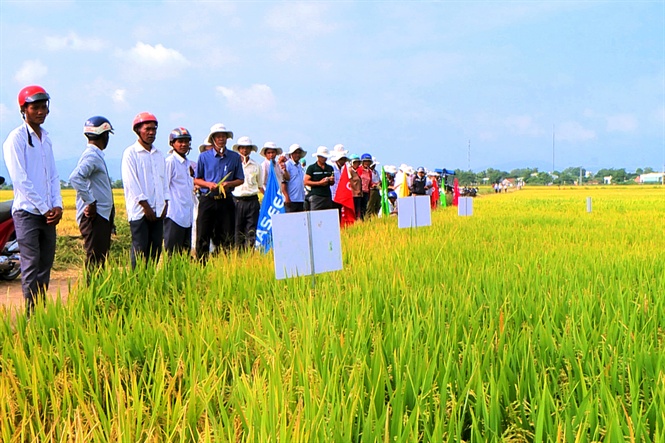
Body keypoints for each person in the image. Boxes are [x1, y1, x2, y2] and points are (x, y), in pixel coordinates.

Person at [2, 85, 62, 314]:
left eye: (43, 106)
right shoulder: (15, 139)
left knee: (45, 265)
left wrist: (57, 205)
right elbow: (21, 180)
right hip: (27, 212)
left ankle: (40, 310)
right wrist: (46, 207)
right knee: (30, 265)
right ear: (23, 110)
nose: (40, 111)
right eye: (35, 107)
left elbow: (53, 176)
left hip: (48, 213)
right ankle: (30, 314)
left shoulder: (46, 139)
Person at [122, 112, 170, 268]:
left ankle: (149, 284)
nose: (151, 133)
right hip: (139, 211)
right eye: (147, 129)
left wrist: (165, 204)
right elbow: (132, 182)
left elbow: (164, 182)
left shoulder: (159, 155)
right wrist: (145, 206)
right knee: (140, 249)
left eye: (154, 129)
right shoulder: (131, 153)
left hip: (158, 210)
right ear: (137, 130)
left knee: (155, 250)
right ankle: (137, 283)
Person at [69, 116, 115, 270]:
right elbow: (76, 177)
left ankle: (95, 290)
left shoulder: (94, 155)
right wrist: (90, 201)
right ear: (104, 135)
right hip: (95, 217)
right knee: (95, 260)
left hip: (101, 215)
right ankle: (92, 291)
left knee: (99, 258)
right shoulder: (92, 156)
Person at [193, 123, 244, 260]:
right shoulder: (204, 157)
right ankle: (201, 263)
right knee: (203, 233)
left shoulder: (234, 157)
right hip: (208, 199)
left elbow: (240, 179)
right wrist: (208, 184)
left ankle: (224, 263)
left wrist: (229, 184)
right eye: (218, 136)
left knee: (227, 234)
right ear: (213, 139)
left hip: (226, 199)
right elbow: (196, 180)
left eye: (224, 136)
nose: (221, 139)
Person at [164, 127, 196, 256]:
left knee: (184, 255)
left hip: (187, 216)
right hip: (174, 215)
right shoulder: (170, 162)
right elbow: (163, 186)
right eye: (180, 141)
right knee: (172, 254)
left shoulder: (187, 164)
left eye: (186, 142)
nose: (183, 145)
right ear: (172, 143)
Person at [231, 136, 262, 250]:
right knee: (237, 228)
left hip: (252, 199)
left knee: (251, 229)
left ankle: (249, 253)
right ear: (239, 149)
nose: (245, 150)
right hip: (238, 200)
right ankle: (237, 254)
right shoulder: (233, 164)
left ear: (250, 149)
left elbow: (259, 183)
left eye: (247, 148)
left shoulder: (256, 165)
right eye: (242, 148)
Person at [305, 146, 335, 211]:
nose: (324, 158)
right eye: (322, 157)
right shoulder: (312, 168)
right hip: (316, 195)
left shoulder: (330, 168)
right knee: (315, 215)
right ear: (318, 156)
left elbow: (332, 183)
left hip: (327, 195)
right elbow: (306, 182)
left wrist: (331, 181)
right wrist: (319, 183)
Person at [282, 144, 306, 212]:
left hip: (300, 199)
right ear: (291, 154)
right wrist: (287, 197)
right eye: (295, 153)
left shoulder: (299, 166)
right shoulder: (287, 165)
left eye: (299, 153)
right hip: (291, 200)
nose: (297, 155)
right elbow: (283, 183)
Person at [329, 144, 349, 217]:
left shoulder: (342, 168)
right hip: (332, 196)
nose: (344, 161)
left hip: (339, 197)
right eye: (342, 159)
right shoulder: (331, 167)